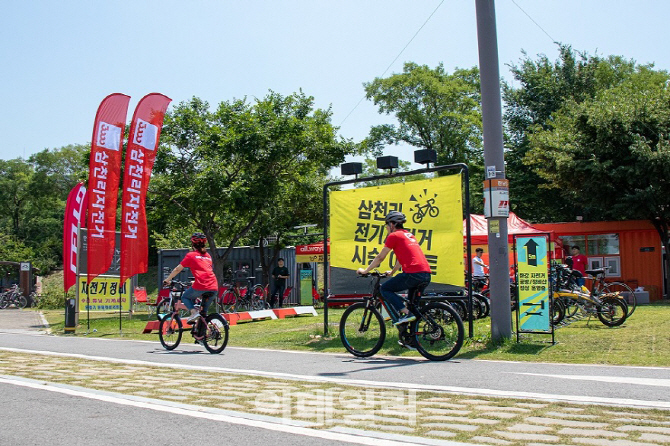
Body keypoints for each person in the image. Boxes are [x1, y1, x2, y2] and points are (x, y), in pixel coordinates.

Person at [357, 211, 432, 348]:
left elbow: (380, 257)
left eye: (387, 224)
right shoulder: (409, 235)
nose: (386, 227)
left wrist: (365, 271)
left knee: (385, 289)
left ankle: (405, 312)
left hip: (413, 273)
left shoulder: (394, 235)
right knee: (412, 308)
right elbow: (401, 257)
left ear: (392, 224)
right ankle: (411, 340)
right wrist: (392, 272)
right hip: (425, 274)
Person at [162, 232, 219, 324]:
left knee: (185, 297)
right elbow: (206, 271)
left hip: (201, 285)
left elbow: (177, 269)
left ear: (192, 244)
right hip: (214, 286)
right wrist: (195, 280)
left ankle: (193, 312)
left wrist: (167, 280)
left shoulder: (191, 255)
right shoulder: (208, 256)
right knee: (203, 314)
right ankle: (202, 335)